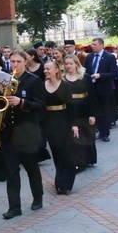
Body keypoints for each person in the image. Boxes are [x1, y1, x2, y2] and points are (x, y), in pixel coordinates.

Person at [0, 50, 45, 220]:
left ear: (25, 62)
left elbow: (41, 105)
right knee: (11, 171)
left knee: (31, 167)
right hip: (9, 132)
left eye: (18, 61)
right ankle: (14, 206)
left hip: (27, 132)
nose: (15, 65)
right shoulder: (5, 80)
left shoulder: (33, 81)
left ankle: (38, 197)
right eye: (12, 61)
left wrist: (22, 102)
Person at [43, 61, 77, 194]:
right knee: (56, 153)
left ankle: (66, 183)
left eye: (48, 69)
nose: (46, 71)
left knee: (67, 153)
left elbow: (71, 106)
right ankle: (59, 181)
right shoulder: (42, 86)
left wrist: (74, 125)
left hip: (63, 122)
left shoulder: (65, 85)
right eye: (44, 69)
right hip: (49, 123)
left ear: (56, 69)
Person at [63, 55, 98, 170]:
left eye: (71, 63)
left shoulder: (85, 77)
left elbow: (92, 96)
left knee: (86, 135)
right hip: (70, 110)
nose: (68, 66)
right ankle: (79, 162)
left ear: (76, 64)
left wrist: (93, 114)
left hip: (84, 109)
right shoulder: (63, 78)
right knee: (74, 137)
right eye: (66, 64)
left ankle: (89, 158)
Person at [83, 37, 117, 142]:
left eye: (94, 44)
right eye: (92, 44)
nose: (92, 46)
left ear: (101, 45)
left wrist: (100, 75)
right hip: (92, 88)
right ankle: (98, 129)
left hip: (104, 89)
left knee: (105, 111)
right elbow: (85, 70)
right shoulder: (89, 57)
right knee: (95, 110)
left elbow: (114, 73)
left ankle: (105, 133)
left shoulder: (109, 57)